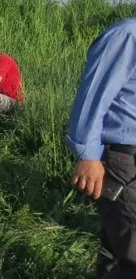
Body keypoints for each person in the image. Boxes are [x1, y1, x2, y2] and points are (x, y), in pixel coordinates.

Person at [66, 17, 136, 278]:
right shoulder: (127, 36)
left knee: (118, 256)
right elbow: (93, 96)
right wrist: (88, 155)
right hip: (125, 164)